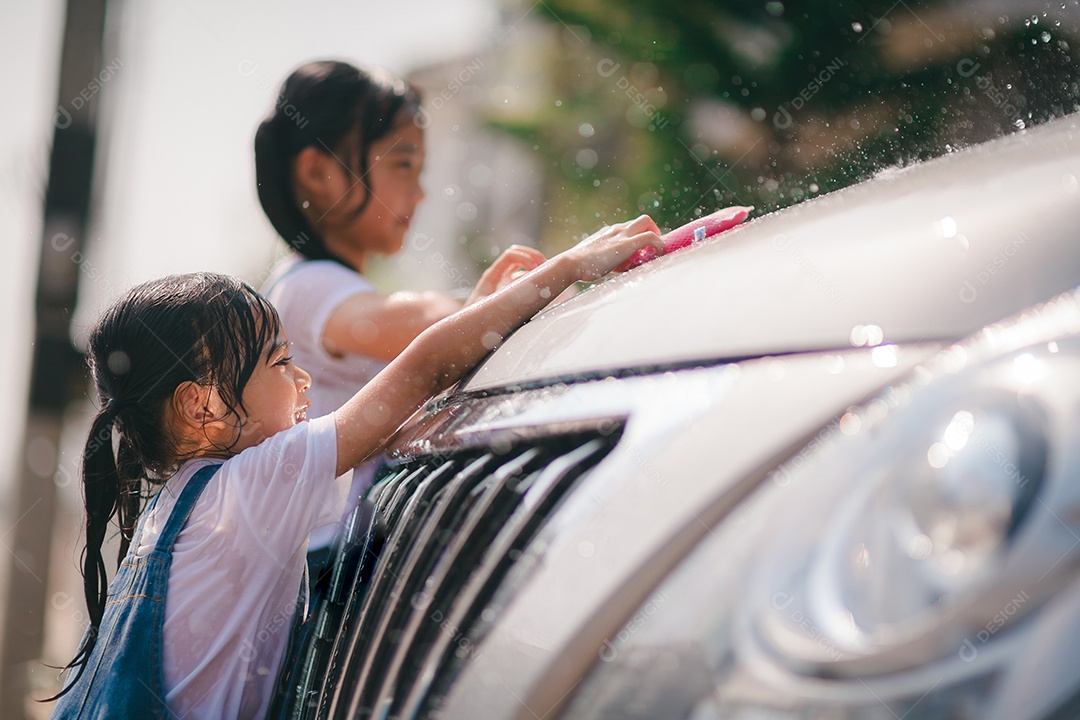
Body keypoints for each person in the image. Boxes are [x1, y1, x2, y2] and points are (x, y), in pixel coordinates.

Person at [47, 215, 664, 719]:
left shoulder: (179, 507)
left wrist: (476, 309)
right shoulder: (249, 488)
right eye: (281, 362)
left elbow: (395, 408)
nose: (304, 378)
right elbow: (416, 374)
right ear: (202, 406)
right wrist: (563, 271)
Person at [254, 60, 545, 560]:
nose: (420, 191)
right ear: (320, 172)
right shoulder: (306, 286)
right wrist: (487, 303)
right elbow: (422, 328)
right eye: (403, 164)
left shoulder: (316, 283)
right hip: (326, 565)